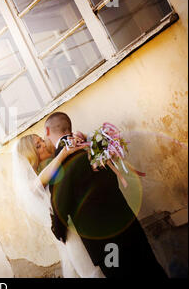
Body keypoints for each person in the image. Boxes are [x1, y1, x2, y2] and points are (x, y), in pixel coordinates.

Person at [43, 112, 167, 278]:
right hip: (128, 226)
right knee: (151, 270)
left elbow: (60, 206)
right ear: (69, 128)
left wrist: (58, 231)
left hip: (105, 242)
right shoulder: (95, 146)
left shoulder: (59, 162)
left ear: (47, 131)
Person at [13, 134, 104, 277]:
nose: (44, 144)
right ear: (31, 155)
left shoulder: (53, 164)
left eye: (41, 140)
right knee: (90, 269)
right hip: (68, 231)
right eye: (38, 146)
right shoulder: (33, 180)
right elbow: (36, 187)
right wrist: (63, 154)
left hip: (84, 222)